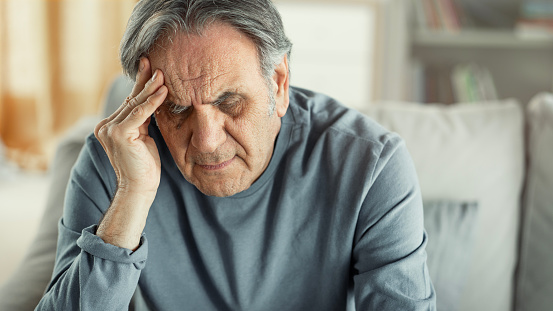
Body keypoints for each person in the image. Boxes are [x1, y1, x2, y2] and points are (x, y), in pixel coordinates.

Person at [37, 0, 436, 310]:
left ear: (278, 84)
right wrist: (132, 195)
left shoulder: (372, 165)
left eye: (229, 102)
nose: (207, 141)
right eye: (176, 108)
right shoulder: (115, 163)